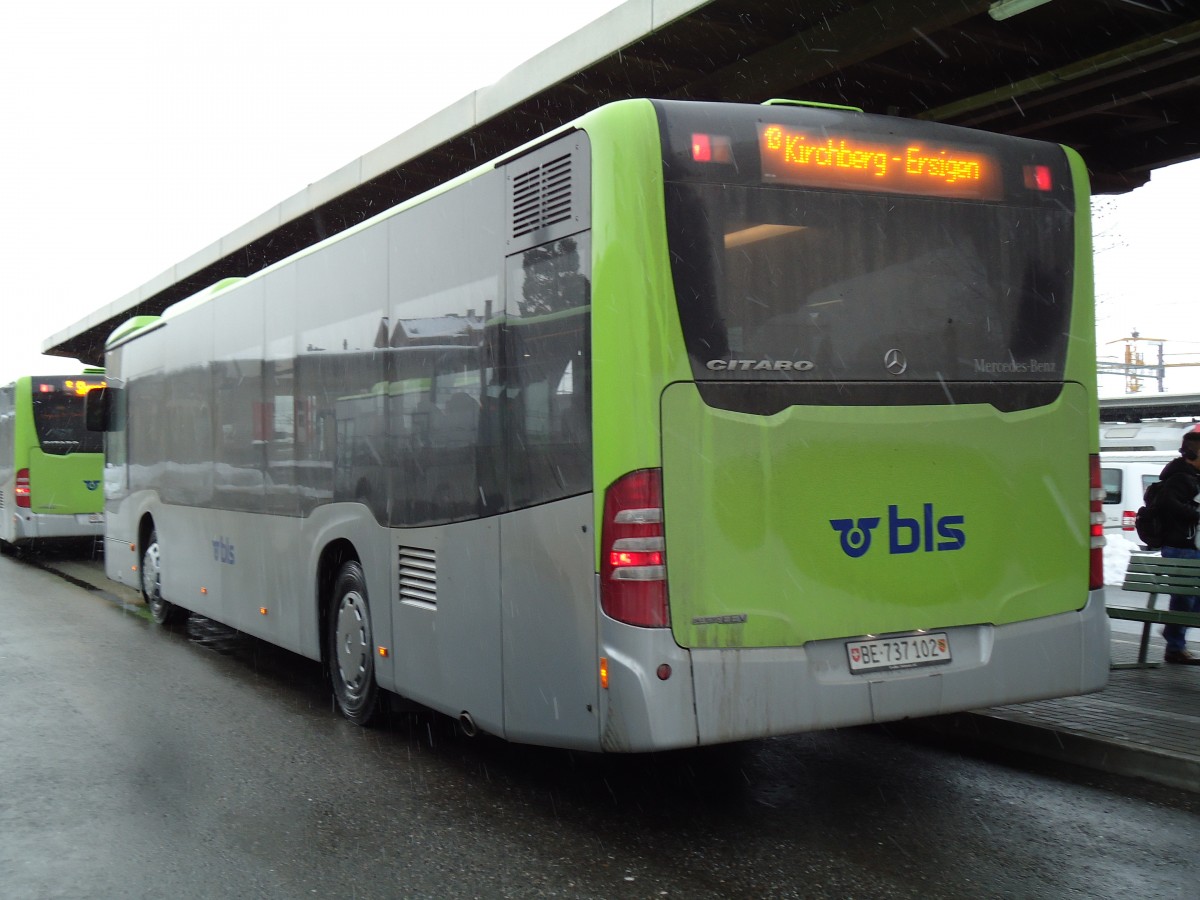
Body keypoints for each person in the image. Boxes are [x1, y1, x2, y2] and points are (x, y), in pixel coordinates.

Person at [1154, 431, 1200, 665]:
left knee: (1186, 597)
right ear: (1191, 453)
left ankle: (1174, 633)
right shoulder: (1180, 477)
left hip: (1189, 546)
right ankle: (1174, 644)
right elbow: (1169, 504)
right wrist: (1196, 513)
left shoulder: (1191, 475)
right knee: (1184, 597)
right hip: (1181, 546)